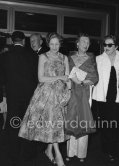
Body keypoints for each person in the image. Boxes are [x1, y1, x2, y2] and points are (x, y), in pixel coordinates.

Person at [18, 32, 71, 166]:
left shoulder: (64, 57)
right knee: (51, 124)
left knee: (56, 126)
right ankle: (58, 155)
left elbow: (68, 78)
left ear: (60, 44)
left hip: (60, 95)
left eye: (57, 44)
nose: (54, 46)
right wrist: (59, 78)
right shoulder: (43, 56)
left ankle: (49, 150)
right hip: (45, 94)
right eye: (52, 44)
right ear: (48, 44)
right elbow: (41, 78)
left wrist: (69, 92)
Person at [92, 35, 119, 162]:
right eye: (105, 44)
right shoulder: (98, 59)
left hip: (116, 97)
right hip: (102, 96)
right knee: (104, 124)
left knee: (113, 124)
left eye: (110, 45)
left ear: (116, 46)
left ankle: (112, 151)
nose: (107, 47)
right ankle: (105, 148)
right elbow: (92, 75)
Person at [0, 31, 38, 166]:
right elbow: (36, 78)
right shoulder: (33, 56)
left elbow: (1, 80)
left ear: (11, 40)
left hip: (12, 97)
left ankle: (13, 155)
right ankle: (27, 155)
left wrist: (2, 99)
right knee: (27, 125)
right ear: (23, 41)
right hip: (29, 97)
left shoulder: (4, 57)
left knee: (13, 125)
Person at [65, 33, 98, 162]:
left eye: (88, 42)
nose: (86, 44)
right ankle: (69, 152)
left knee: (83, 120)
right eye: (83, 42)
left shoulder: (91, 58)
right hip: (72, 92)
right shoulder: (69, 58)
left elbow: (95, 77)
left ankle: (81, 154)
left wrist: (82, 82)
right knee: (71, 119)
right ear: (77, 43)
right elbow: (65, 74)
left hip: (85, 93)